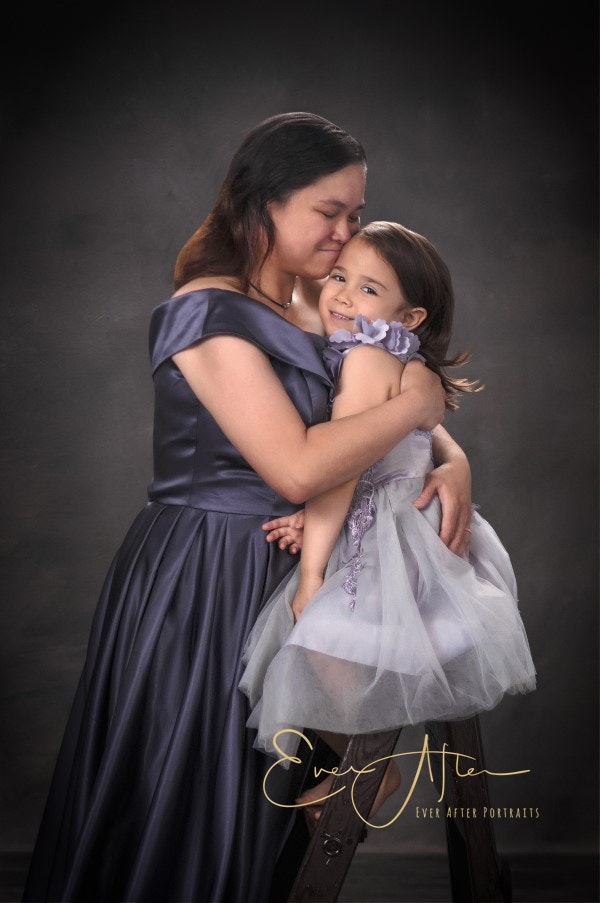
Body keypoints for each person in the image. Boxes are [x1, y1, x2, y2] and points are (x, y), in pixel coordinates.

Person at [22, 115, 471, 903]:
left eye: (356, 215)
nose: (345, 233)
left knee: (289, 801)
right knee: (197, 792)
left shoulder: (325, 302)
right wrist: (415, 412)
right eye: (327, 211)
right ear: (262, 202)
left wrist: (452, 457)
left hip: (305, 562)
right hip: (208, 572)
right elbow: (300, 465)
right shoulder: (206, 314)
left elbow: (375, 406)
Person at [239, 221, 537, 825]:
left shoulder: (368, 359)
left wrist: (312, 571)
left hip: (387, 527)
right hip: (401, 522)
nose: (344, 295)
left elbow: (341, 471)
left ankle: (369, 768)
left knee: (319, 639)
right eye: (340, 276)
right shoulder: (381, 352)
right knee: (336, 648)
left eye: (369, 290)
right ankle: (366, 765)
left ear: (409, 318)